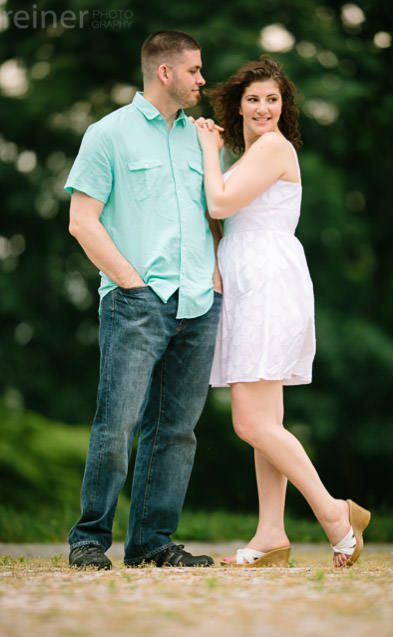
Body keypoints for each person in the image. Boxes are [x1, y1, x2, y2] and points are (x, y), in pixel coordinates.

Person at [195, 57, 370, 568]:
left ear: (283, 106)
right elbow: (221, 218)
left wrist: (207, 150)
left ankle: (336, 514)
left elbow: (221, 203)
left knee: (250, 423)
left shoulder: (272, 147)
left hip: (267, 282)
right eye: (254, 99)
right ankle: (271, 533)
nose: (264, 108)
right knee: (266, 420)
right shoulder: (249, 154)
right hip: (252, 279)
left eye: (273, 99)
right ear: (238, 105)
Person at [65, 31, 222, 569]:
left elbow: (216, 214)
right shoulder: (107, 135)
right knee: (117, 425)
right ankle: (89, 539)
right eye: (196, 70)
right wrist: (130, 282)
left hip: (198, 303)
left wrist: (216, 279)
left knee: (176, 434)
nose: (203, 80)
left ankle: (152, 544)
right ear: (165, 72)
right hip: (135, 301)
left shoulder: (202, 139)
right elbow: (81, 221)